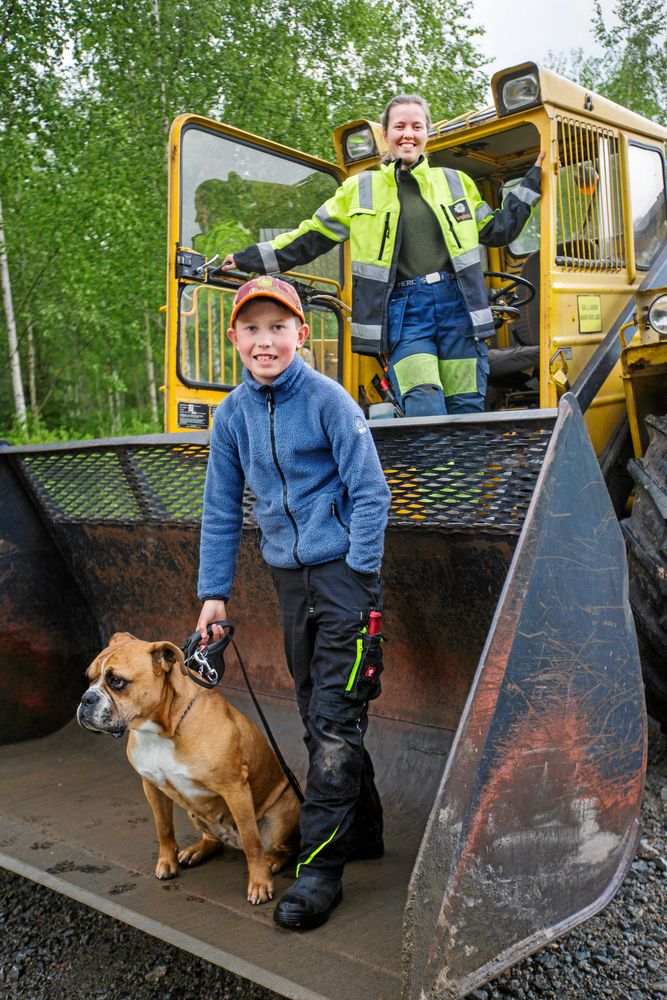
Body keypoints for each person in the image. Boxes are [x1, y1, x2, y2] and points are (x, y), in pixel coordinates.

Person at [195, 275, 391, 931]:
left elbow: (371, 494)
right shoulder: (231, 417)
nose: (264, 341)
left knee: (334, 724)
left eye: (277, 327)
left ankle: (320, 872)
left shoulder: (329, 402)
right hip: (289, 582)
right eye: (251, 329)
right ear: (234, 339)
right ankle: (361, 830)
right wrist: (212, 595)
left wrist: (357, 571)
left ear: (302, 335)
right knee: (317, 712)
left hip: (342, 579)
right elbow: (221, 511)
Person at [220, 94, 545, 416]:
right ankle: (434, 470)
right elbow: (309, 237)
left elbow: (498, 231)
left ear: (426, 134)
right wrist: (249, 258)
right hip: (405, 314)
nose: (408, 134)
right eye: (399, 126)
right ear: (386, 135)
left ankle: (463, 472)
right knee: (423, 405)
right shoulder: (360, 189)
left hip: (457, 309)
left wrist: (532, 183)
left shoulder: (456, 183)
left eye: (417, 126)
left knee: (466, 406)